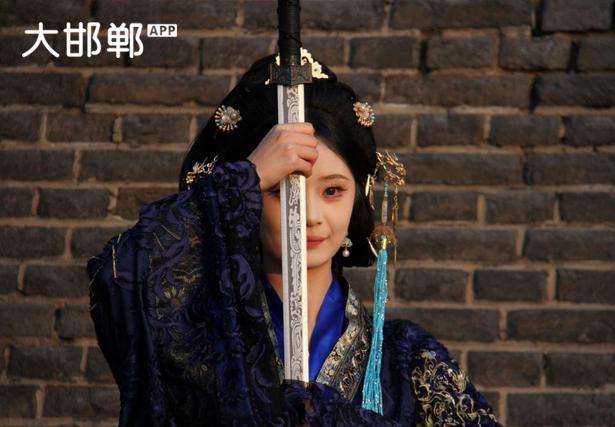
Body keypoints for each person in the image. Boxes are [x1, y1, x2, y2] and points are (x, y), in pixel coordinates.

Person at [87, 52, 501, 426]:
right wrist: (246, 177)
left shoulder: (408, 363)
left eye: (333, 191)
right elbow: (118, 276)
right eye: (279, 191)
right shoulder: (201, 342)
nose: (311, 216)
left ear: (359, 197)